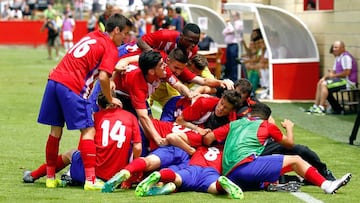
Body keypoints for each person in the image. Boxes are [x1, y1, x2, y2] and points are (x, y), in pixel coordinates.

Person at [36, 13, 132, 190]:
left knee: (55, 132)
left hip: (54, 81)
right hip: (73, 87)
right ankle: (90, 180)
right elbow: (103, 78)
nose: (126, 38)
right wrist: (111, 99)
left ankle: (50, 178)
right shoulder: (110, 47)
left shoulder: (92, 36)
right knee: (89, 130)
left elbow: (79, 58)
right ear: (116, 30)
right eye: (125, 33)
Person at [204, 102, 352, 193]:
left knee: (265, 162)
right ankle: (327, 185)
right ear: (267, 117)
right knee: (296, 160)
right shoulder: (266, 125)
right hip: (245, 167)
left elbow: (208, 138)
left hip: (229, 175)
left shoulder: (234, 124)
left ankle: (269, 184)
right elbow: (290, 144)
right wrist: (289, 127)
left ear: (249, 113)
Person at [23, 91, 142, 187]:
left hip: (95, 174)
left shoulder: (95, 118)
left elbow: (84, 148)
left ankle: (34, 175)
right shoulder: (131, 117)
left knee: (71, 153)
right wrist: (131, 173)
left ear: (99, 106)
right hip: (117, 174)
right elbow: (137, 147)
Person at [135, 145, 244, 199]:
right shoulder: (224, 151)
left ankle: (160, 175)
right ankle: (221, 183)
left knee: (176, 178)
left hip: (193, 169)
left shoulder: (200, 148)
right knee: (214, 188)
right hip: (211, 172)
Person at [307, 41, 358, 115]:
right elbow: (333, 72)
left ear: (342, 48)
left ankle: (321, 108)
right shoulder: (338, 58)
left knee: (324, 84)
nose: (334, 49)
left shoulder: (346, 57)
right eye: (333, 47)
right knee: (321, 82)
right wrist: (324, 77)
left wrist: (333, 76)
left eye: (336, 47)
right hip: (341, 80)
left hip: (348, 82)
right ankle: (316, 106)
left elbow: (347, 72)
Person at [222, 12, 243, 82]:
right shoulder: (231, 24)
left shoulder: (239, 23)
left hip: (234, 44)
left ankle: (234, 77)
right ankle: (229, 76)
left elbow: (232, 30)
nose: (232, 18)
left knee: (234, 61)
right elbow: (224, 32)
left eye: (233, 16)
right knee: (229, 62)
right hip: (229, 45)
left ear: (237, 16)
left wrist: (229, 25)